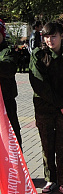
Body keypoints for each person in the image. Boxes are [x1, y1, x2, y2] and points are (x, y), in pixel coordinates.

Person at [29, 20, 63, 194]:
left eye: (53, 36)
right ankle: (50, 179)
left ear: (61, 36)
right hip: (45, 108)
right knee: (47, 145)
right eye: (47, 36)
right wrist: (62, 105)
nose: (50, 40)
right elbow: (40, 85)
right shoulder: (38, 54)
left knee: (62, 146)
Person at [0, 19, 22, 148]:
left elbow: (9, 69)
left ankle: (15, 167)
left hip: (6, 102)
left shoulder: (8, 51)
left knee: (12, 138)